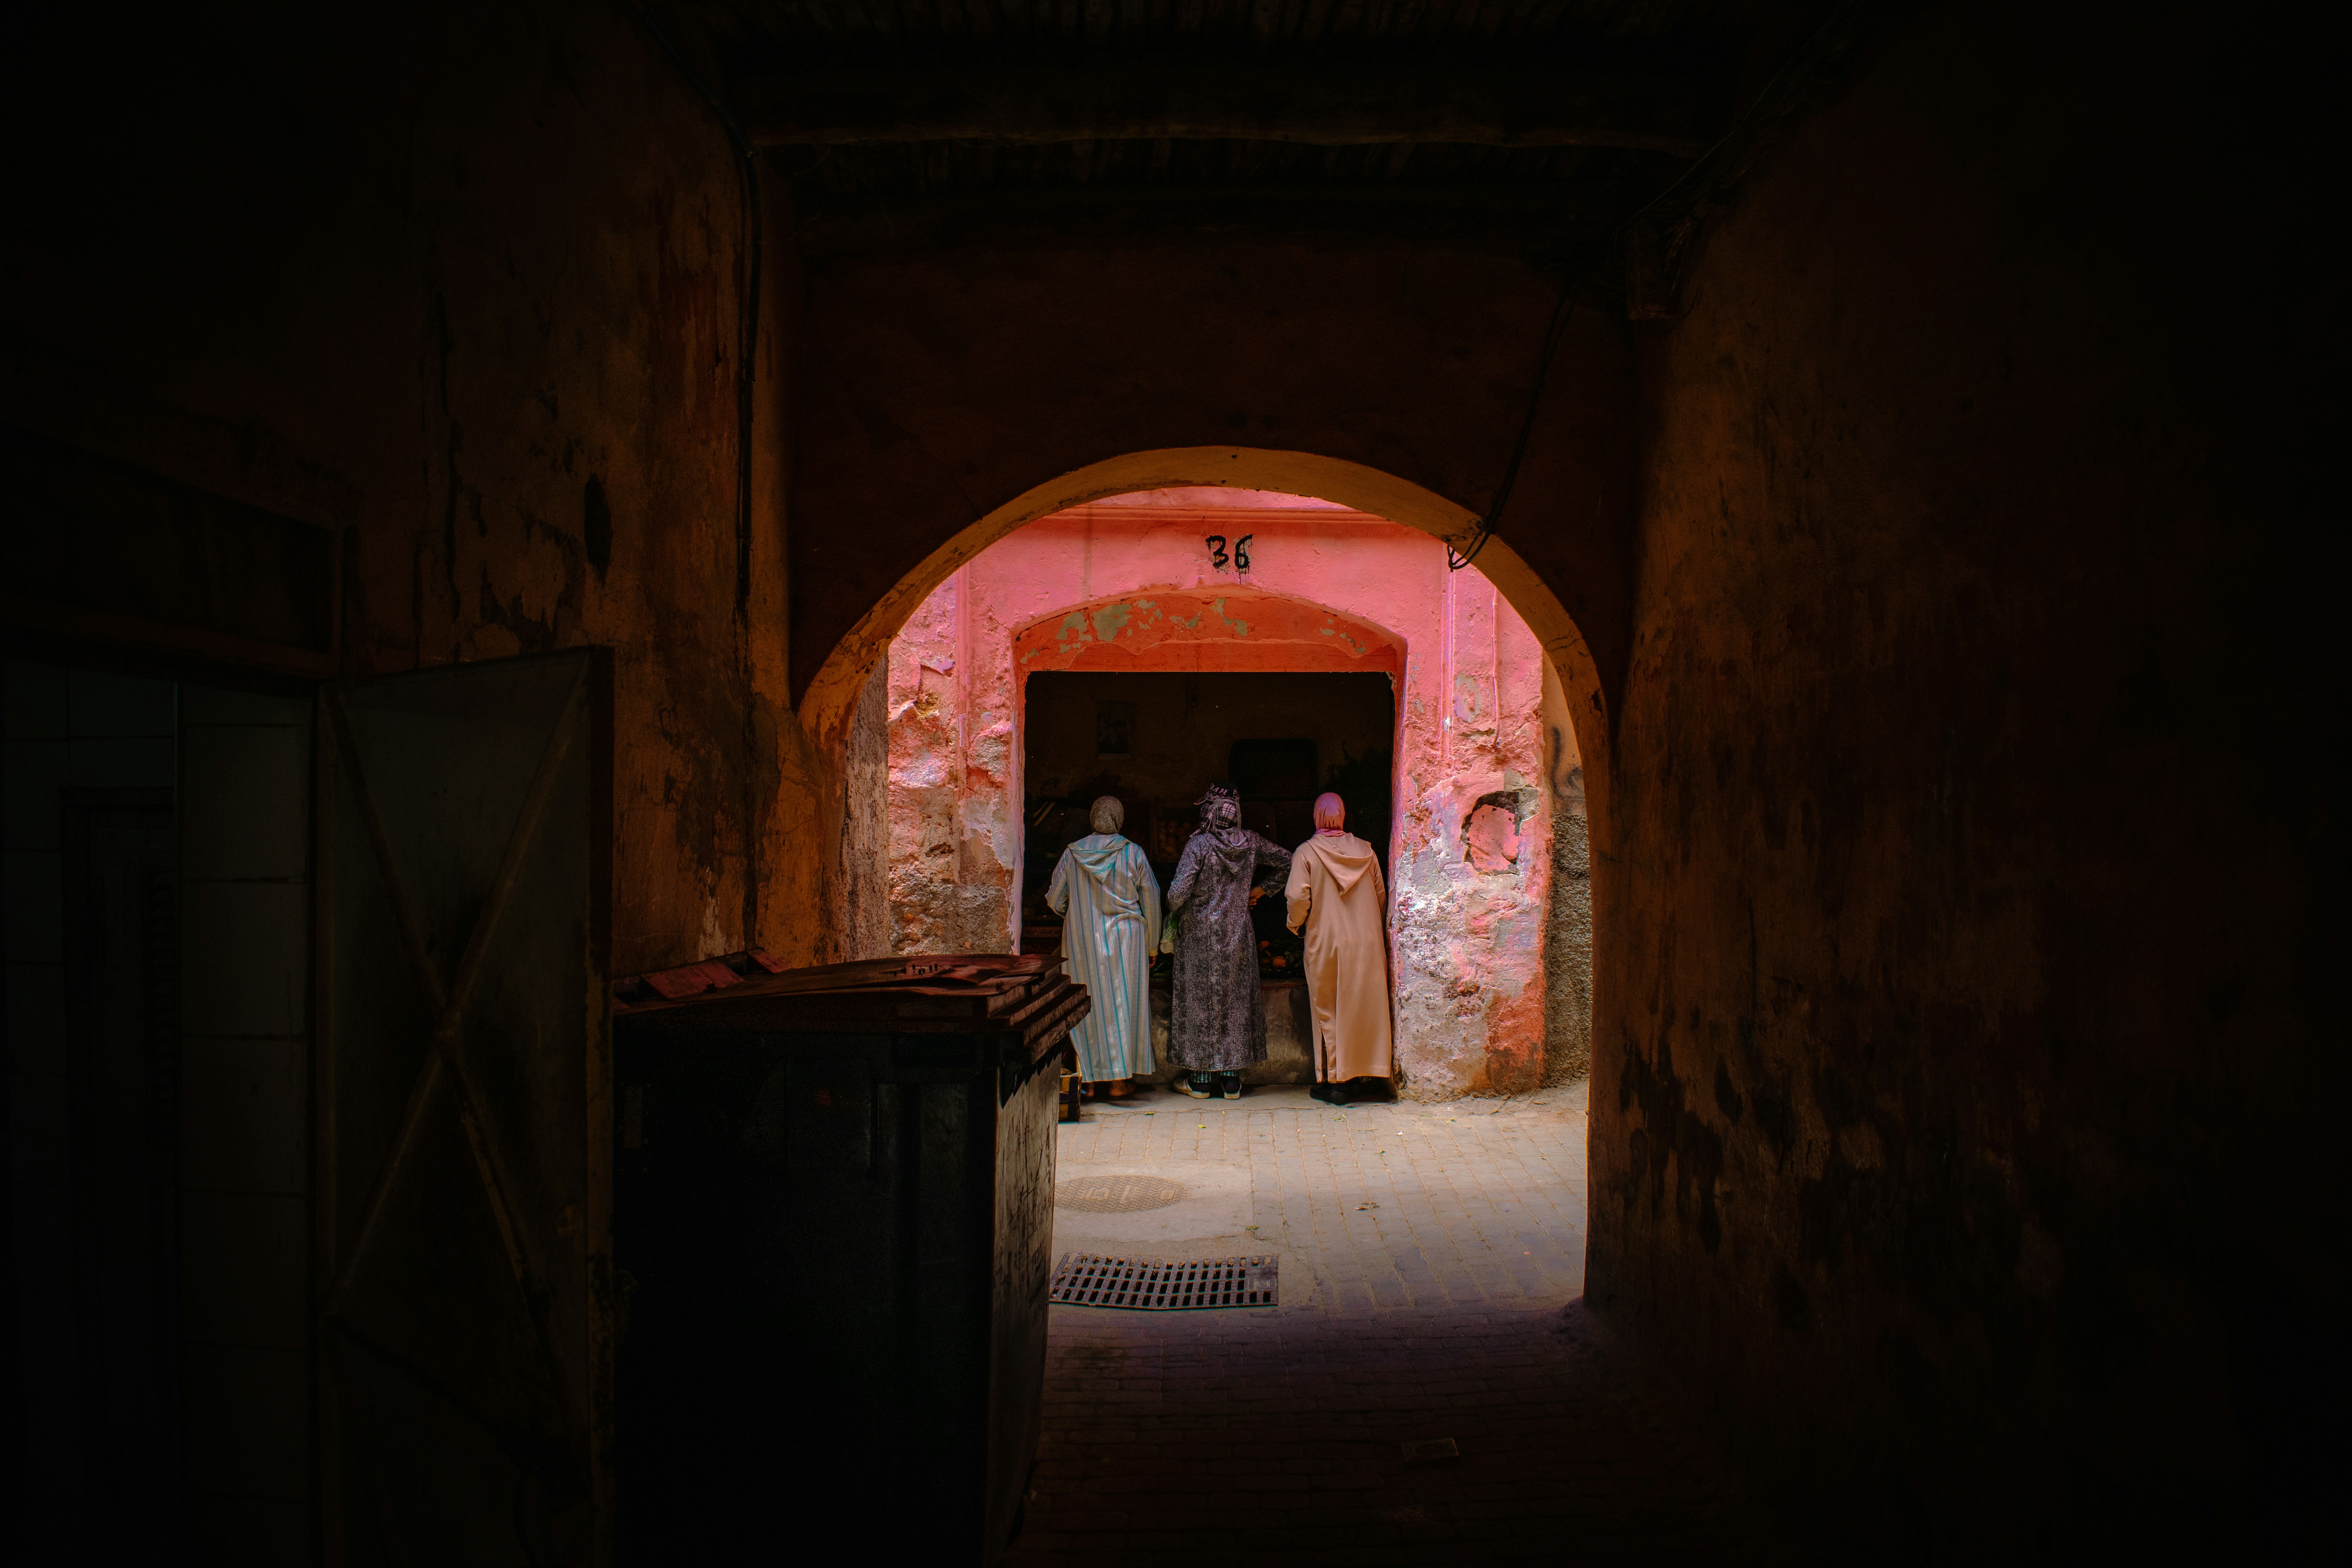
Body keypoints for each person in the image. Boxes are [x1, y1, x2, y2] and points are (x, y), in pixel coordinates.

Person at [1165, 783, 1290, 1100]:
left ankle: (1201, 1080)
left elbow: (1176, 895)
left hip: (1199, 937)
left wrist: (1176, 910)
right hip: (1238, 935)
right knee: (1234, 1001)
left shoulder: (1198, 846)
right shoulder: (1252, 843)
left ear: (1209, 813)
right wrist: (1260, 890)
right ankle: (1231, 1080)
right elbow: (1290, 861)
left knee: (1201, 1003)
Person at [1046, 796, 1163, 1098]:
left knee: (1086, 1006)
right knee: (1122, 1005)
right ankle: (1119, 1082)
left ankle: (1088, 1081)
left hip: (1083, 941)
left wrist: (1077, 914)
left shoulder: (1072, 854)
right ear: (1118, 819)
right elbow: (1151, 898)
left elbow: (1054, 899)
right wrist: (1153, 946)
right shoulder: (1133, 853)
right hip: (1127, 940)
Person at [1285, 792, 1394, 1104]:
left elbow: (1297, 898)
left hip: (1326, 942)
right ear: (1343, 815)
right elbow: (1381, 897)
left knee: (1330, 1008)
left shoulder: (1306, 853)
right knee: (1362, 1008)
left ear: (1316, 816)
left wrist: (1295, 924)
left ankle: (1337, 1082)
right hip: (1367, 943)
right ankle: (1365, 1075)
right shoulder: (1366, 852)